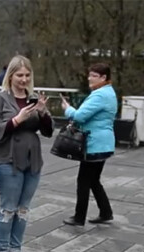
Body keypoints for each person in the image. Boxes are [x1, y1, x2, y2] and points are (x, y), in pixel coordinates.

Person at [0, 55, 53, 252]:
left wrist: (43, 113)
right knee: (8, 209)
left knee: (23, 209)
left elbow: (48, 131)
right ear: (11, 76)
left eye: (27, 75)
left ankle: (16, 251)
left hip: (32, 161)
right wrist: (17, 120)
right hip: (8, 160)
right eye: (19, 75)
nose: (24, 79)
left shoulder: (33, 98)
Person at [61, 63, 118, 227]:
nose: (89, 78)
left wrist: (67, 109)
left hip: (94, 144)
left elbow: (79, 117)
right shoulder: (109, 93)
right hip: (104, 144)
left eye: (93, 75)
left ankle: (79, 217)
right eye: (89, 74)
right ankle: (106, 212)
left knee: (84, 180)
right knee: (94, 180)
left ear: (103, 78)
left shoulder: (99, 95)